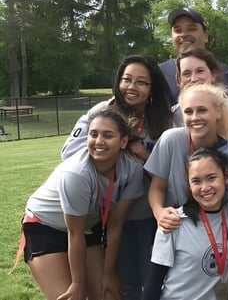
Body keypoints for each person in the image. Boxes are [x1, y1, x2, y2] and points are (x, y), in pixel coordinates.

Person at [61, 55, 173, 300]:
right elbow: (68, 153)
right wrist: (114, 145)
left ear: (152, 87)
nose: (132, 87)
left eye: (142, 82)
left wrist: (144, 156)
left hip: (147, 214)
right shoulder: (102, 111)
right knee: (119, 283)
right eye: (127, 79)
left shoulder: (163, 119)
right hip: (109, 216)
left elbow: (171, 166)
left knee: (152, 281)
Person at [22, 110, 145, 300]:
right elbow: (74, 232)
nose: (98, 141)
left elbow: (115, 223)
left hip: (87, 228)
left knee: (108, 295)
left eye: (108, 135)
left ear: (123, 142)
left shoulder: (133, 168)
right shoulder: (76, 173)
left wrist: (109, 273)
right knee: (70, 296)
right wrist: (78, 283)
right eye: (93, 134)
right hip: (46, 227)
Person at [146, 83, 228, 232]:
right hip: (177, 224)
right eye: (188, 112)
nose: (195, 117)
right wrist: (159, 212)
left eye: (202, 110)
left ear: (218, 112)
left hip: (219, 227)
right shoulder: (171, 140)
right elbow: (157, 188)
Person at [142, 148, 228, 300]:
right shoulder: (173, 221)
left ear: (226, 177)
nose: (205, 187)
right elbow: (153, 283)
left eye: (211, 178)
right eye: (196, 181)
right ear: (188, 185)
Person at [160, 7, 228, 102]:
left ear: (205, 36)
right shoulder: (160, 74)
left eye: (191, 29)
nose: (184, 34)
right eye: (178, 30)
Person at [171, 48, 222, 127]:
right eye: (187, 74)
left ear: (213, 74)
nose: (194, 79)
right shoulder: (170, 117)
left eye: (200, 71)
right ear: (178, 80)